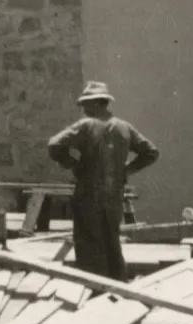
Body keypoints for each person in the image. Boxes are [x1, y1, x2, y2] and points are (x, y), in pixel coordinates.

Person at [47, 82, 160, 282]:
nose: (83, 109)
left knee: (88, 245)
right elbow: (151, 152)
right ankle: (117, 285)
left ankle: (92, 290)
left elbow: (54, 145)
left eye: (86, 104)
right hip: (114, 197)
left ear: (97, 103)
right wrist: (127, 169)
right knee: (112, 242)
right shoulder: (124, 128)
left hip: (88, 196)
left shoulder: (85, 126)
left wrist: (74, 165)